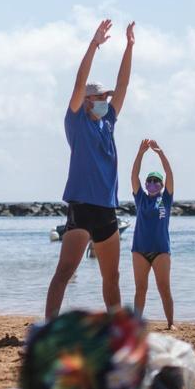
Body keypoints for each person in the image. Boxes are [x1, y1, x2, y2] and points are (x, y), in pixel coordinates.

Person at [45, 20, 135, 319]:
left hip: (107, 209)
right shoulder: (76, 120)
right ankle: (50, 327)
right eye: (98, 98)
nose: (104, 102)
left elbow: (122, 85)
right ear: (86, 102)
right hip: (82, 206)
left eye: (104, 99)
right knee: (65, 272)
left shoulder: (108, 121)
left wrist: (129, 47)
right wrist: (94, 46)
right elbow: (78, 83)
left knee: (112, 278)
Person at [130, 138, 174, 325]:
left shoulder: (166, 199)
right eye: (150, 180)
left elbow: (169, 174)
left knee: (164, 288)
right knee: (140, 289)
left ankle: (170, 323)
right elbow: (133, 176)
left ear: (162, 185)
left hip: (161, 250)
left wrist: (160, 153)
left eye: (157, 181)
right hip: (139, 249)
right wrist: (140, 153)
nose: (153, 183)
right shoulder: (140, 198)